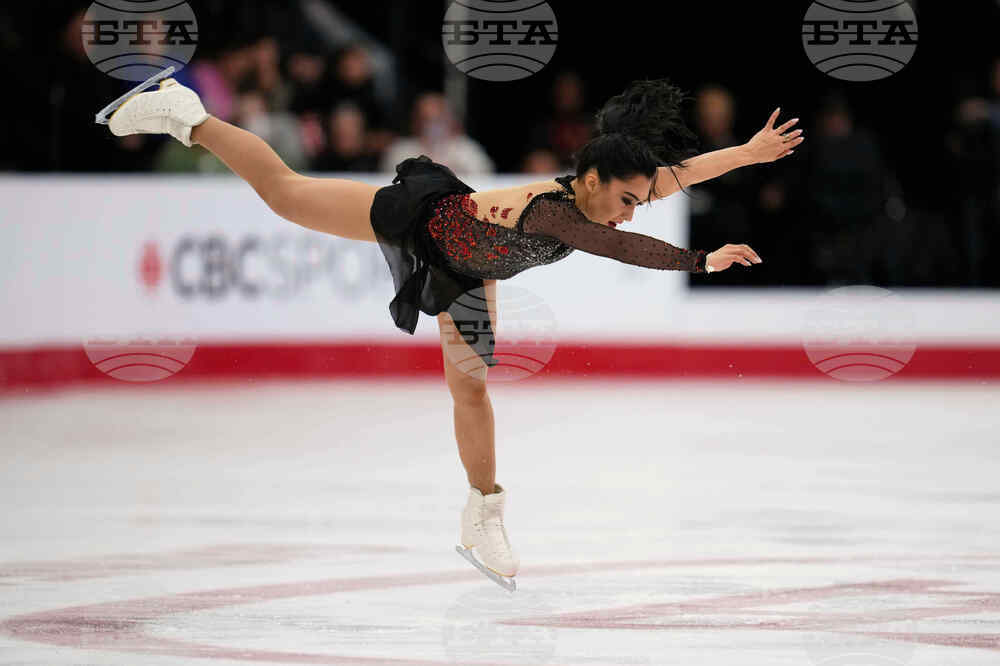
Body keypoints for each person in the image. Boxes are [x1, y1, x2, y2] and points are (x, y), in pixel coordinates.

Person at [100, 75, 799, 588]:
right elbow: (619, 248)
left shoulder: (598, 197)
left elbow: (677, 175)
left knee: (470, 388)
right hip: (424, 220)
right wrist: (697, 258)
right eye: (625, 199)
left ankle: (483, 513)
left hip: (467, 270)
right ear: (588, 180)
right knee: (285, 192)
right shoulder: (556, 213)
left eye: (639, 202)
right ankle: (185, 114)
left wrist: (745, 153)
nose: (633, 213)